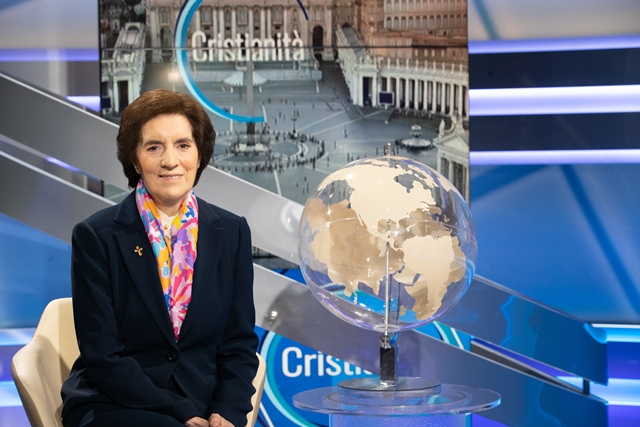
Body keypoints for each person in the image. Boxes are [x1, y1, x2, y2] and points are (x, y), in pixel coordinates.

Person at [61, 89, 259, 427]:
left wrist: (227, 411)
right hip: (116, 401)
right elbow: (102, 355)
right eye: (154, 147)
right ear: (135, 160)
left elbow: (238, 343)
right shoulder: (96, 236)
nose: (170, 160)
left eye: (183, 145)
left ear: (200, 154)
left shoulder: (232, 231)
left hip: (204, 400)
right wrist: (181, 412)